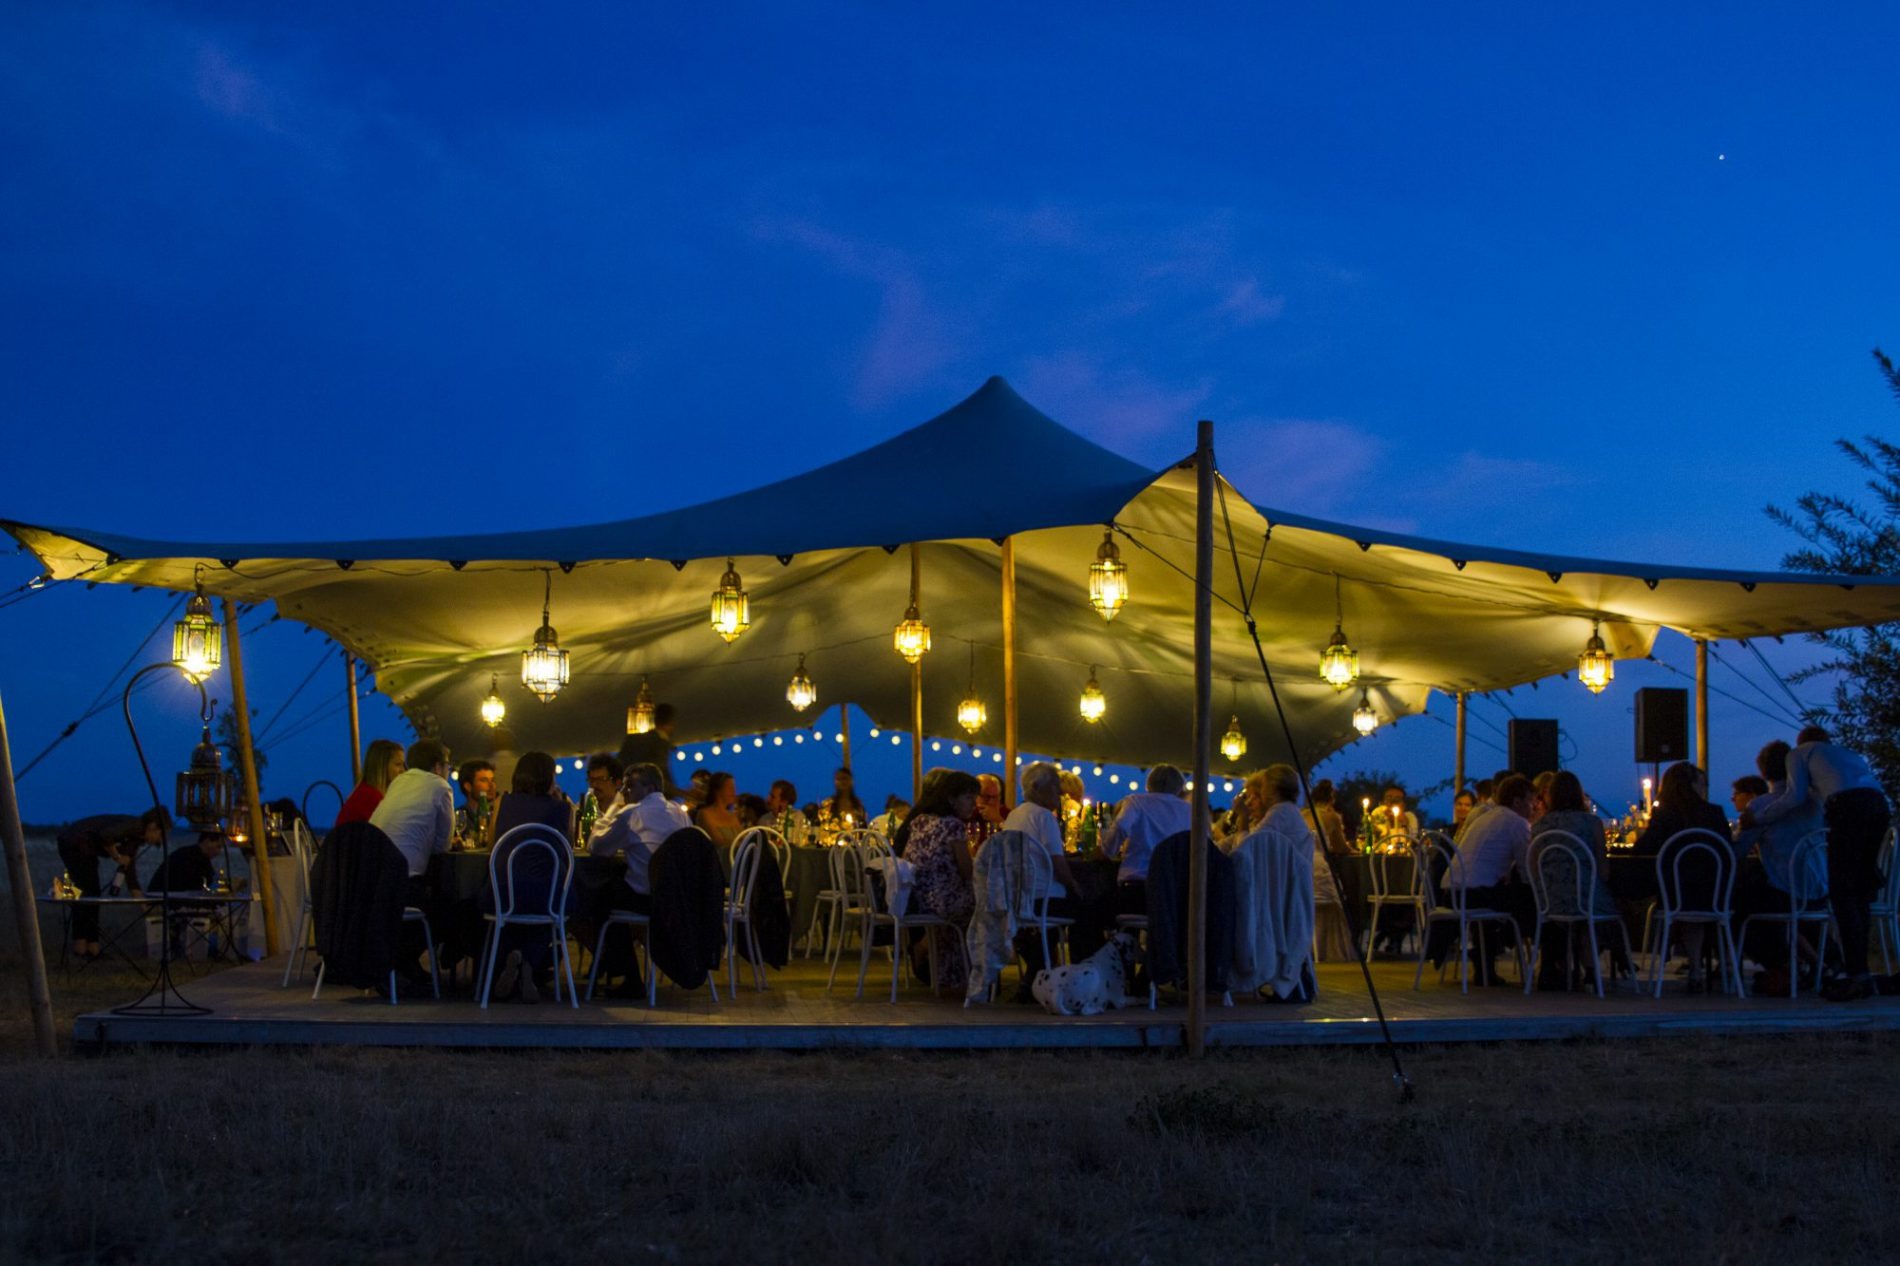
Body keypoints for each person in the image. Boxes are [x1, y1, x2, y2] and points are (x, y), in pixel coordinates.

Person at [1745, 725, 1893, 1001]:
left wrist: (1759, 818)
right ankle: (1858, 970)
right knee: (1859, 891)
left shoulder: (1799, 753)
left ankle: (1856, 974)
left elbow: (1794, 795)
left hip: (1847, 807)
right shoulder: (1845, 754)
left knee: (1842, 893)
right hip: (1878, 805)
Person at [1626, 761, 1734, 994]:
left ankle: (1693, 966)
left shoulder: (1664, 814)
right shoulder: (1714, 813)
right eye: (1700, 783)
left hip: (1676, 894)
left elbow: (1643, 849)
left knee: (1666, 892)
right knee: (1698, 897)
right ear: (1692, 785)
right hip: (1714, 893)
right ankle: (1710, 964)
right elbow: (1728, 851)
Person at [587, 762, 691, 996]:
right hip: (677, 897)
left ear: (650, 787)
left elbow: (597, 847)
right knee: (612, 888)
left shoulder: (631, 813)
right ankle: (610, 961)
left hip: (648, 898)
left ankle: (625, 973)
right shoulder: (678, 813)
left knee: (600, 893)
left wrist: (615, 805)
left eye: (630, 786)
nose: (625, 792)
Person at [1733, 740, 1827, 992]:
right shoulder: (1814, 802)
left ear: (1763, 772)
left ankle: (1781, 964)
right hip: (1821, 890)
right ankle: (1817, 961)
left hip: (1787, 893)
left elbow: (1738, 851)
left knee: (1737, 906)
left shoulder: (1762, 805)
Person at [482, 750, 575, 1003]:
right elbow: (568, 849)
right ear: (548, 778)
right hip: (544, 897)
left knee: (507, 914)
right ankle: (529, 963)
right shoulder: (563, 808)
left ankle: (513, 957)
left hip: (503, 895)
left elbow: (493, 846)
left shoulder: (503, 802)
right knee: (555, 906)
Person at [1432, 774, 1537, 975]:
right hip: (1473, 895)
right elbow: (1527, 871)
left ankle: (1486, 961)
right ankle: (1509, 945)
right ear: (1517, 801)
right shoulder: (1517, 823)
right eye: (1530, 802)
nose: (1533, 808)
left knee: (1505, 895)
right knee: (1529, 900)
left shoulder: (1486, 816)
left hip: (1451, 893)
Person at [1001, 761, 1094, 988]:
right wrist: (1075, 886)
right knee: (1090, 910)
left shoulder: (1014, 815)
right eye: (1055, 786)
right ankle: (1083, 976)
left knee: (1067, 914)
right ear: (1037, 788)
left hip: (1017, 899)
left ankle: (1036, 974)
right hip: (1043, 900)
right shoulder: (1043, 817)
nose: (1060, 792)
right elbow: (1058, 864)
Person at [1527, 770, 1621, 989]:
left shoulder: (1539, 826)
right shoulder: (1592, 823)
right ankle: (1592, 970)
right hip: (1586, 898)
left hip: (1550, 902)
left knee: (1576, 913)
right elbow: (1604, 872)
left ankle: (1561, 967)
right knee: (1603, 909)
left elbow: (1532, 867)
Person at [894, 770, 981, 988]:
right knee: (988, 905)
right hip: (943, 900)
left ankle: (949, 972)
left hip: (918, 896)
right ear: (951, 799)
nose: (974, 804)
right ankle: (981, 975)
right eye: (969, 797)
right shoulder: (953, 826)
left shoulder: (922, 821)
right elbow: (966, 870)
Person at [55, 808, 170, 958]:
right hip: (75, 842)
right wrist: (116, 856)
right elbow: (106, 835)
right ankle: (81, 946)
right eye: (161, 834)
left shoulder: (135, 840)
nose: (160, 840)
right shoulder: (134, 825)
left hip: (85, 849)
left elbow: (130, 874)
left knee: (93, 892)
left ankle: (92, 946)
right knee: (88, 892)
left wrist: (144, 907)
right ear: (153, 826)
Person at [367, 737, 454, 924]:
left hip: (371, 883)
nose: (448, 771)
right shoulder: (440, 786)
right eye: (448, 766)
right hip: (402, 886)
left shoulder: (397, 784)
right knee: (450, 906)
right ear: (438, 767)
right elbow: (442, 845)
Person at [1100, 764, 1192, 916]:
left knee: (1093, 905)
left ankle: (1124, 938)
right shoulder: (1189, 810)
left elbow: (1122, 827)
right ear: (1180, 787)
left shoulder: (1136, 801)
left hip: (1136, 889)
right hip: (1175, 894)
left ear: (1149, 785)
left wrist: (1108, 850)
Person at [336, 739, 405, 826]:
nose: (403, 770)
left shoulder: (365, 792)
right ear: (381, 766)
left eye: (403, 765)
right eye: (398, 764)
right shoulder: (371, 797)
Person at [616, 702, 679, 796]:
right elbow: (657, 777)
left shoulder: (632, 740)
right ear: (670, 723)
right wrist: (681, 793)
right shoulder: (660, 743)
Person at [691, 771, 742, 851]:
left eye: (734, 788)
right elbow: (717, 842)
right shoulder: (704, 814)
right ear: (717, 790)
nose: (733, 792)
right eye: (729, 788)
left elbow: (744, 838)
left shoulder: (732, 816)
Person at [453, 759, 497, 847]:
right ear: (468, 786)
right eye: (484, 780)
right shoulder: (458, 817)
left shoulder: (496, 815)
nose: (491, 785)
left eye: (492, 780)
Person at [817, 767, 867, 837]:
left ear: (851, 781)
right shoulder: (828, 805)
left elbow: (862, 828)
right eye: (838, 779)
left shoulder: (858, 806)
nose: (842, 782)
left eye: (844, 779)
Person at [763, 779, 809, 843]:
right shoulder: (764, 819)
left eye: (772, 797)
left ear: (784, 802)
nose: (768, 799)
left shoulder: (797, 819)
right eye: (769, 795)